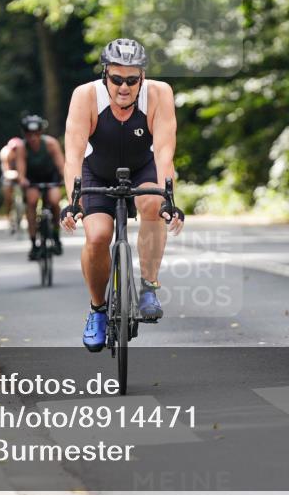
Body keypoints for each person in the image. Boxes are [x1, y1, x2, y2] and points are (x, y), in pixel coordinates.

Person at [60, 38, 184, 352]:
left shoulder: (160, 94)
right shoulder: (85, 96)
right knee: (99, 235)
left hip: (142, 168)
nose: (124, 87)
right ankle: (98, 309)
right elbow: (73, 155)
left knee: (152, 203)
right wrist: (72, 201)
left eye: (132, 80)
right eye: (117, 79)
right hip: (96, 172)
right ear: (106, 76)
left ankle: (148, 287)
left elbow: (164, 153)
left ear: (142, 77)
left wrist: (169, 197)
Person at [15, 115, 66, 259]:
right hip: (32, 180)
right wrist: (22, 179)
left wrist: (65, 178)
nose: (33, 138)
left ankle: (56, 236)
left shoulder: (51, 144)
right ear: (25, 134)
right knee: (31, 202)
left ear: (41, 133)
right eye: (29, 135)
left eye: (36, 134)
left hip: (51, 178)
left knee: (55, 201)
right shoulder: (21, 147)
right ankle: (33, 243)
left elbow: (61, 166)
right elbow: (21, 170)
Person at [0, 135, 24, 227]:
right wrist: (18, 174)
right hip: (9, 176)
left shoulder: (24, 151)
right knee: (8, 196)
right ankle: (8, 216)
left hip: (21, 175)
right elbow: (6, 171)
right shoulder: (5, 153)